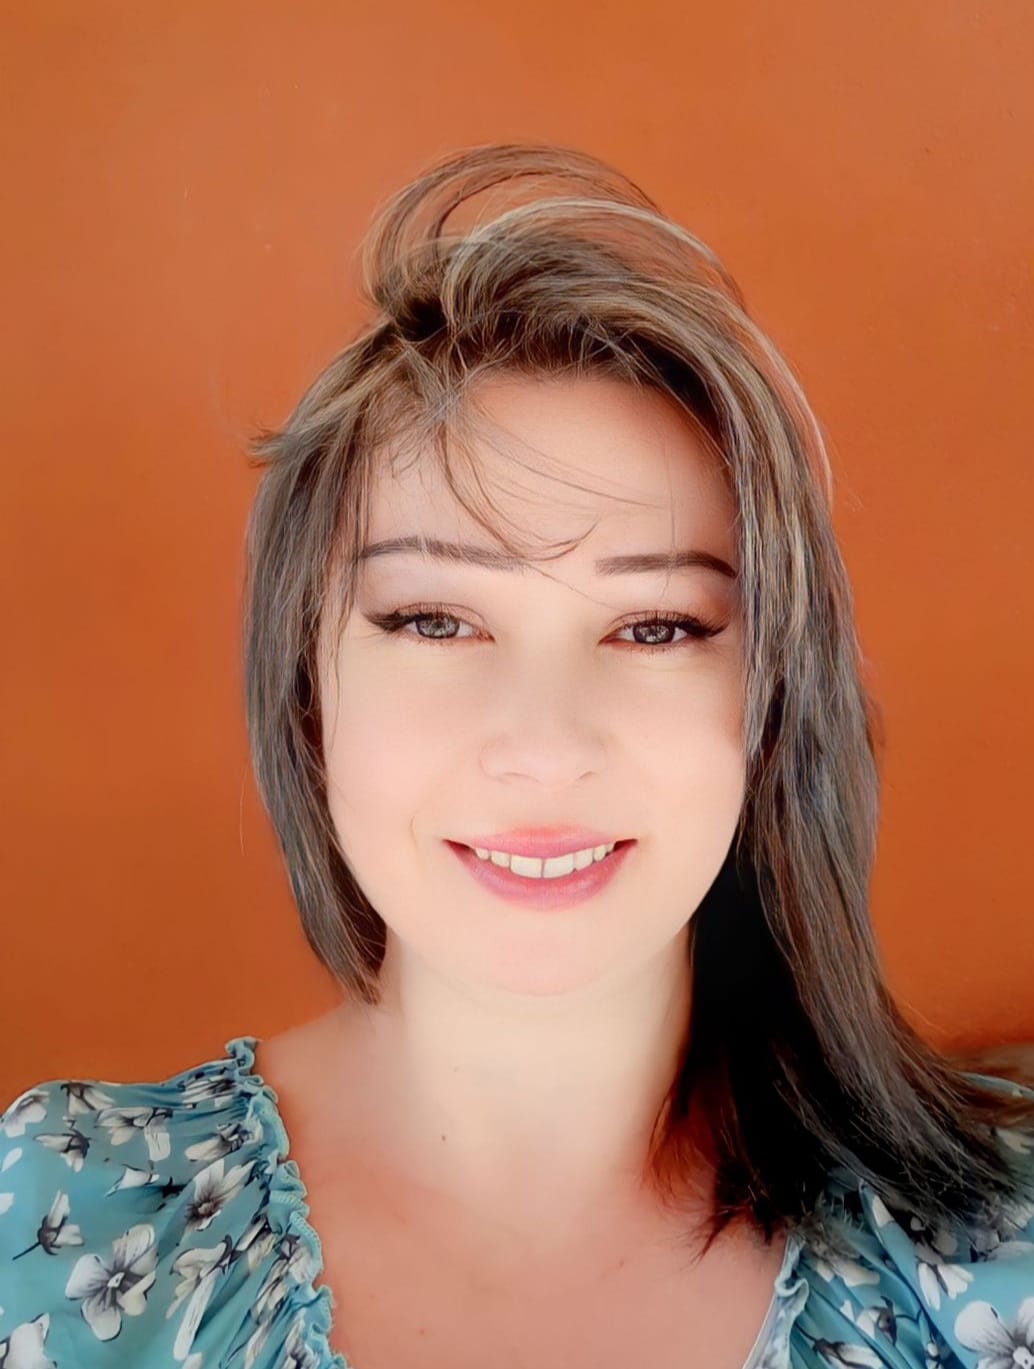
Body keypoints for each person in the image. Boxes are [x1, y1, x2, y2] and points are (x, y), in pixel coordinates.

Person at [1, 141, 1033, 1369]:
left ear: (772, 707)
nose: (543, 749)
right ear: (306, 687)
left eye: (655, 627)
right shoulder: (52, 1230)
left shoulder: (1001, 1259)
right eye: (434, 621)